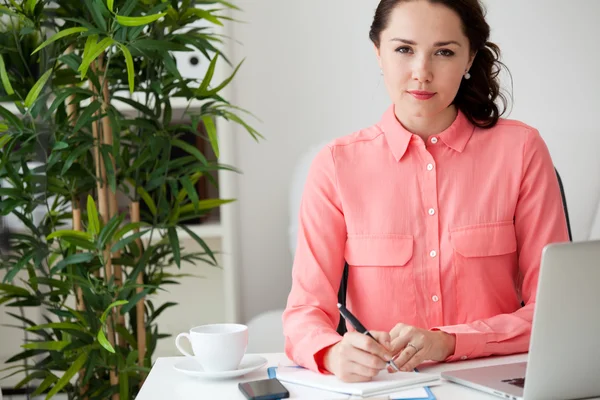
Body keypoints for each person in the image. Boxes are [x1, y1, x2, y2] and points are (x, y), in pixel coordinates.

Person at [282, 0, 570, 383]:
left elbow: (555, 312)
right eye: (404, 49)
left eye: (445, 52)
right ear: (378, 54)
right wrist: (333, 353)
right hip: (385, 386)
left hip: (496, 383)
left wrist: (450, 341)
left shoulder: (521, 151)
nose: (422, 72)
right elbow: (304, 313)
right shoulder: (335, 165)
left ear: (469, 60)